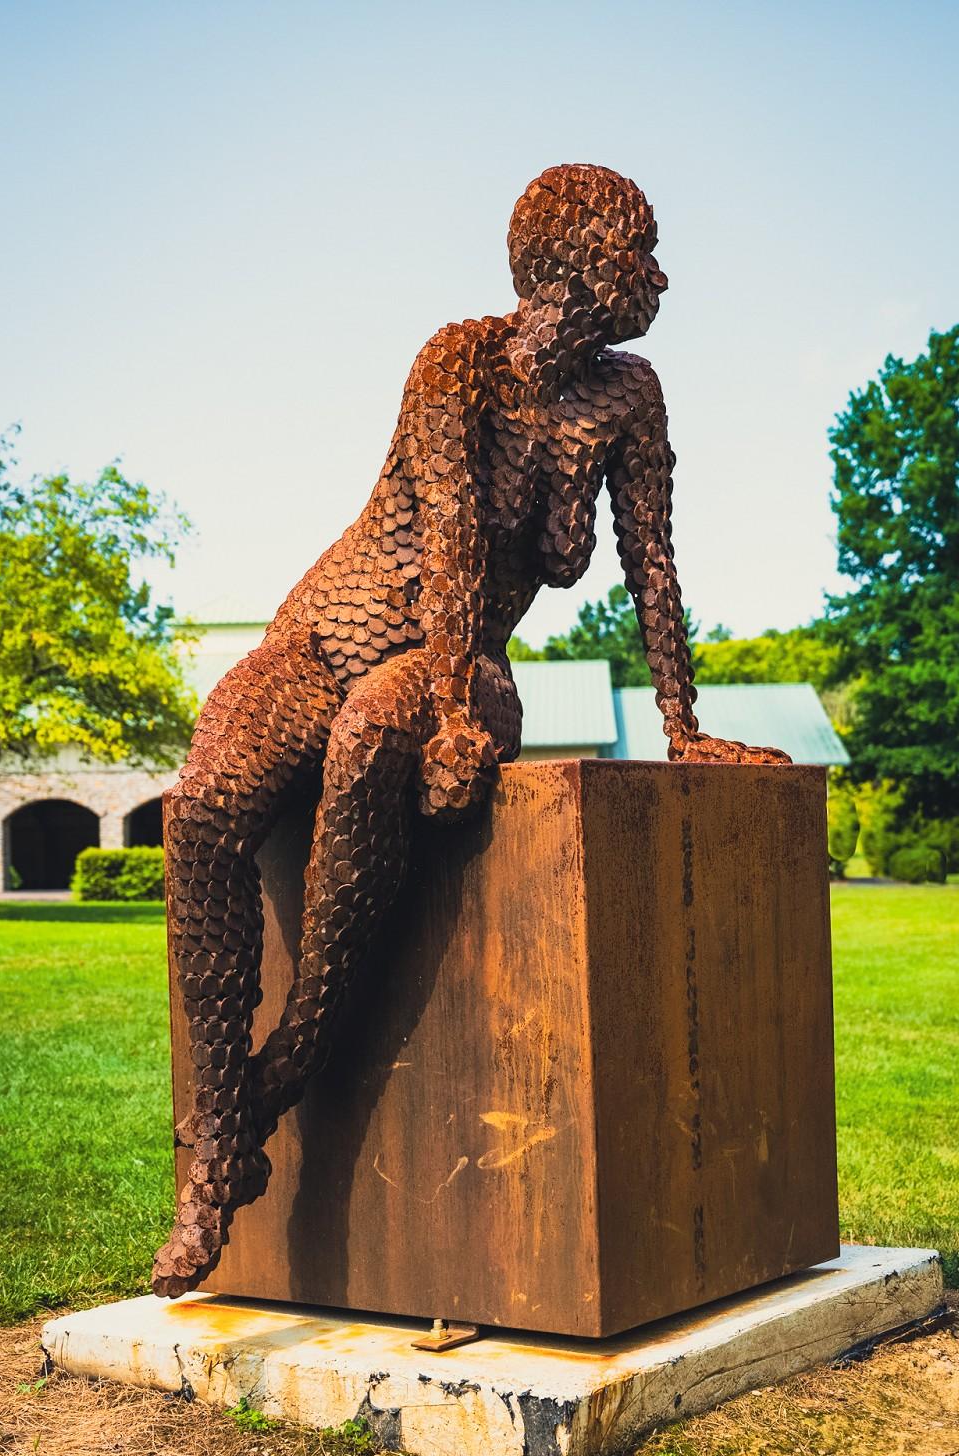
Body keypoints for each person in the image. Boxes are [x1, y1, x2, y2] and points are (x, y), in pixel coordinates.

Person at [152, 162, 789, 1298]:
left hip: (456, 661)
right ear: (565, 263)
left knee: (363, 747)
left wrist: (677, 721)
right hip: (326, 623)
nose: (654, 276)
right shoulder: (455, 358)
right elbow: (448, 529)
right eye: (634, 249)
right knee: (201, 807)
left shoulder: (627, 396)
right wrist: (445, 711)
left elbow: (652, 561)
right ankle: (215, 1142)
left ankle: (277, 1074)